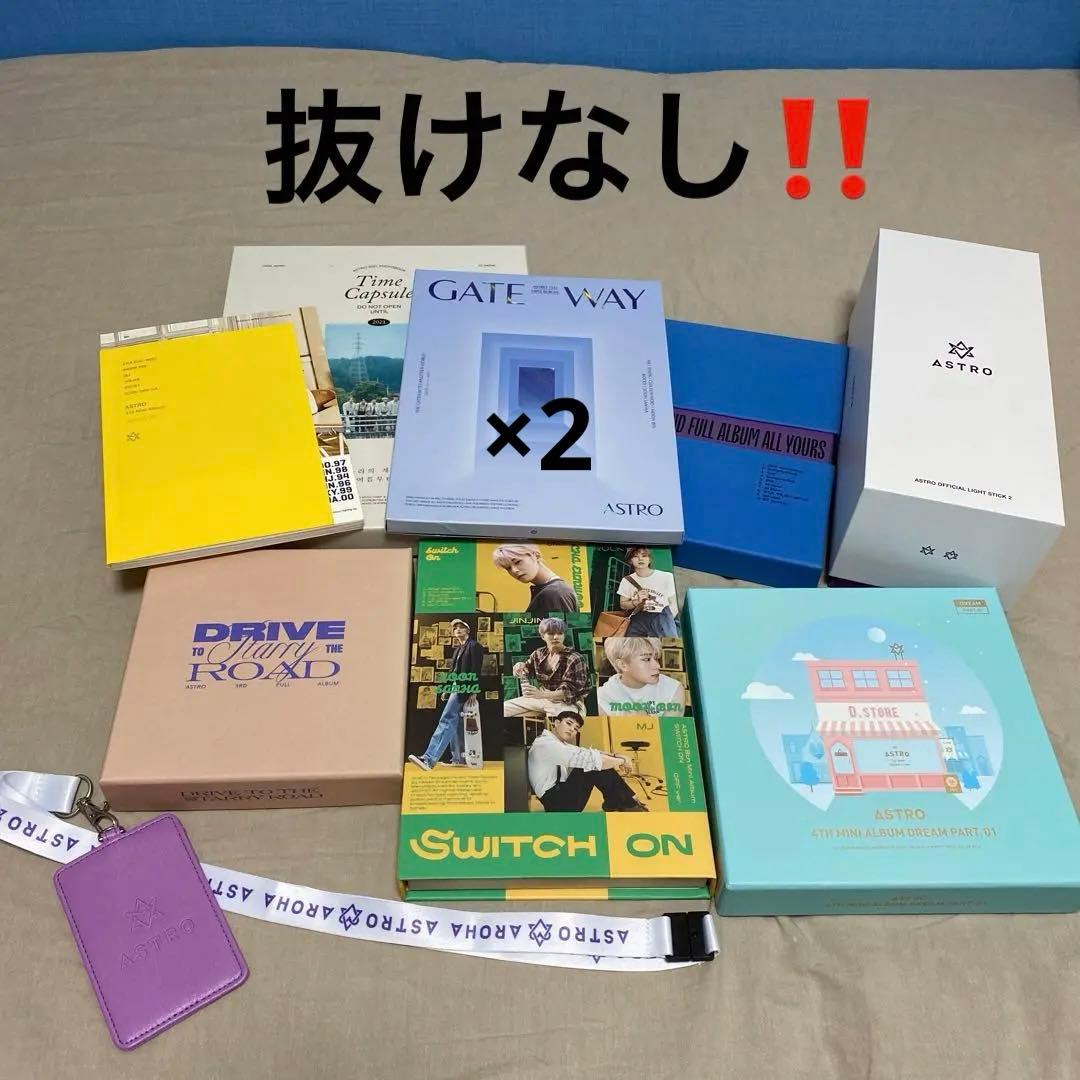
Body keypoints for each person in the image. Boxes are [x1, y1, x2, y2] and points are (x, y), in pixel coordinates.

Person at [527, 711, 646, 812]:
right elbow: (592, 759)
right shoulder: (547, 745)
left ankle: (621, 802)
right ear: (557, 723)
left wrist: (617, 756)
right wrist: (622, 761)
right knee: (592, 765)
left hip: (557, 796)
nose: (572, 729)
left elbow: (587, 752)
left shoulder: (555, 742)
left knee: (593, 761)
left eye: (576, 728)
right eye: (568, 723)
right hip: (556, 804)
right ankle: (624, 803)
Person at [408, 619, 485, 771]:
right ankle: (459, 759)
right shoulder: (458, 650)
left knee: (447, 719)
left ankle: (428, 759)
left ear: (467, 630)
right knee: (457, 723)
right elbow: (453, 672)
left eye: (461, 627)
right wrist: (447, 689)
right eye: (455, 628)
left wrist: (473, 691)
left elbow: (476, 669)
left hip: (465, 687)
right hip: (456, 687)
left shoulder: (474, 646)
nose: (457, 629)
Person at [503, 618, 590, 718]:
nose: (556, 637)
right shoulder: (538, 653)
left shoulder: (575, 659)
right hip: (541, 698)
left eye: (560, 633)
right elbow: (526, 670)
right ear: (542, 636)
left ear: (564, 635)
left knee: (562, 720)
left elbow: (570, 692)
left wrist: (540, 694)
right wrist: (519, 667)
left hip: (568, 703)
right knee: (505, 708)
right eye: (551, 633)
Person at [597, 637, 685, 716]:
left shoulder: (673, 689)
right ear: (623, 665)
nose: (657, 665)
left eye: (656, 658)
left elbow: (671, 729)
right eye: (647, 659)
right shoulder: (601, 697)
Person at [491, 543, 578, 614]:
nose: (514, 570)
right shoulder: (553, 590)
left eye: (517, 562)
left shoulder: (554, 592)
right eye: (508, 568)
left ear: (536, 555)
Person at [618, 547, 678, 638]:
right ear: (630, 561)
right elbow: (623, 605)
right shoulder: (626, 580)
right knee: (633, 645)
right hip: (639, 618)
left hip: (662, 614)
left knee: (668, 645)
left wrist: (667, 621)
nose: (640, 559)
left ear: (650, 559)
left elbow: (674, 603)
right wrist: (636, 602)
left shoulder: (666, 577)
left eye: (644, 555)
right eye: (636, 556)